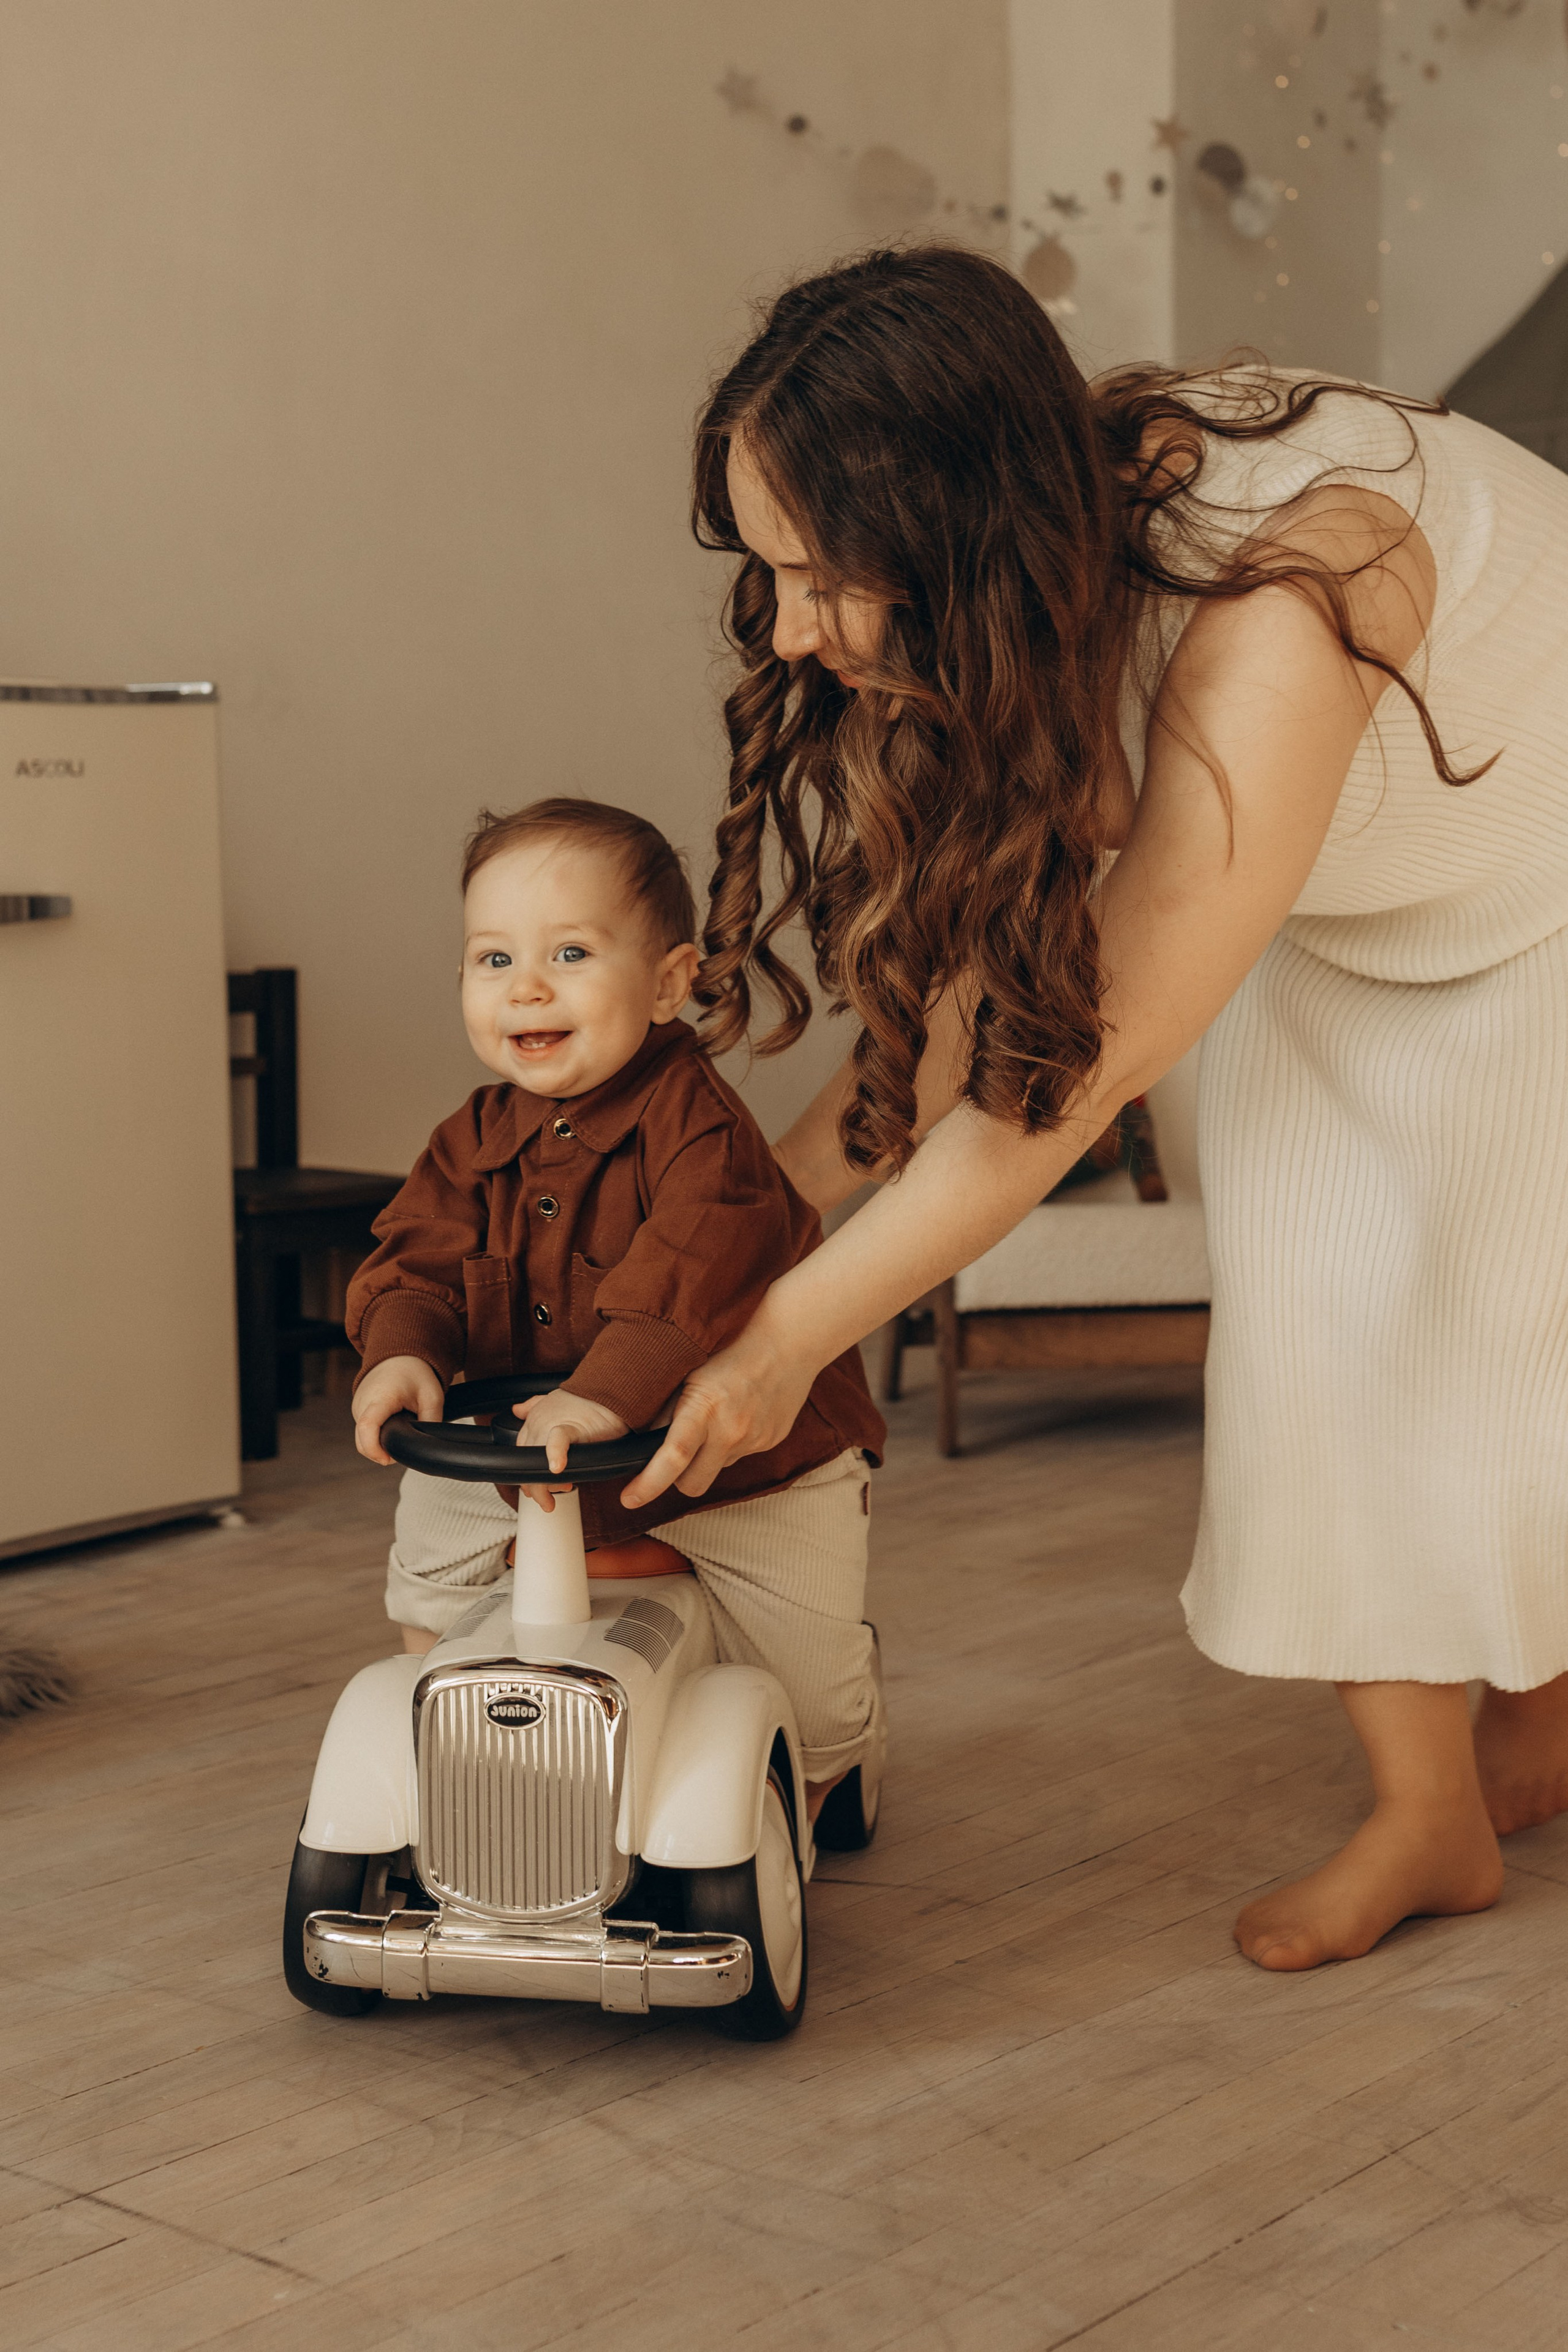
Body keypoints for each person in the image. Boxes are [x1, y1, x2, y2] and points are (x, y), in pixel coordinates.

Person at [614, 243, 1568, 1971]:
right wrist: (711, 1220)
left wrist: (775, 1349)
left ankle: (1549, 1699)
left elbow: (1049, 1095)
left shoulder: (1272, 619)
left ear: (952, 541)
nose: (792, 631)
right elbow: (949, 1038)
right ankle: (1430, 1816)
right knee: (1325, 1328)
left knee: (1515, 1325)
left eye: (821, 579)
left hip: (1549, 877)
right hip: (1341, 905)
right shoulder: (1021, 602)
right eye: (768, 579)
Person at [346, 796, 884, 1816]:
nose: (528, 986)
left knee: (809, 1700)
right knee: (428, 1576)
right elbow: (417, 1254)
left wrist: (611, 1393)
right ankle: (454, 1737)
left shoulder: (701, 1133)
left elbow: (692, 1268)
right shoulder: (470, 1136)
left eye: (572, 954)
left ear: (671, 982)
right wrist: (403, 1350)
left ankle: (831, 1760)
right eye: (493, 959)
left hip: (742, 1470)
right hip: (522, 1453)